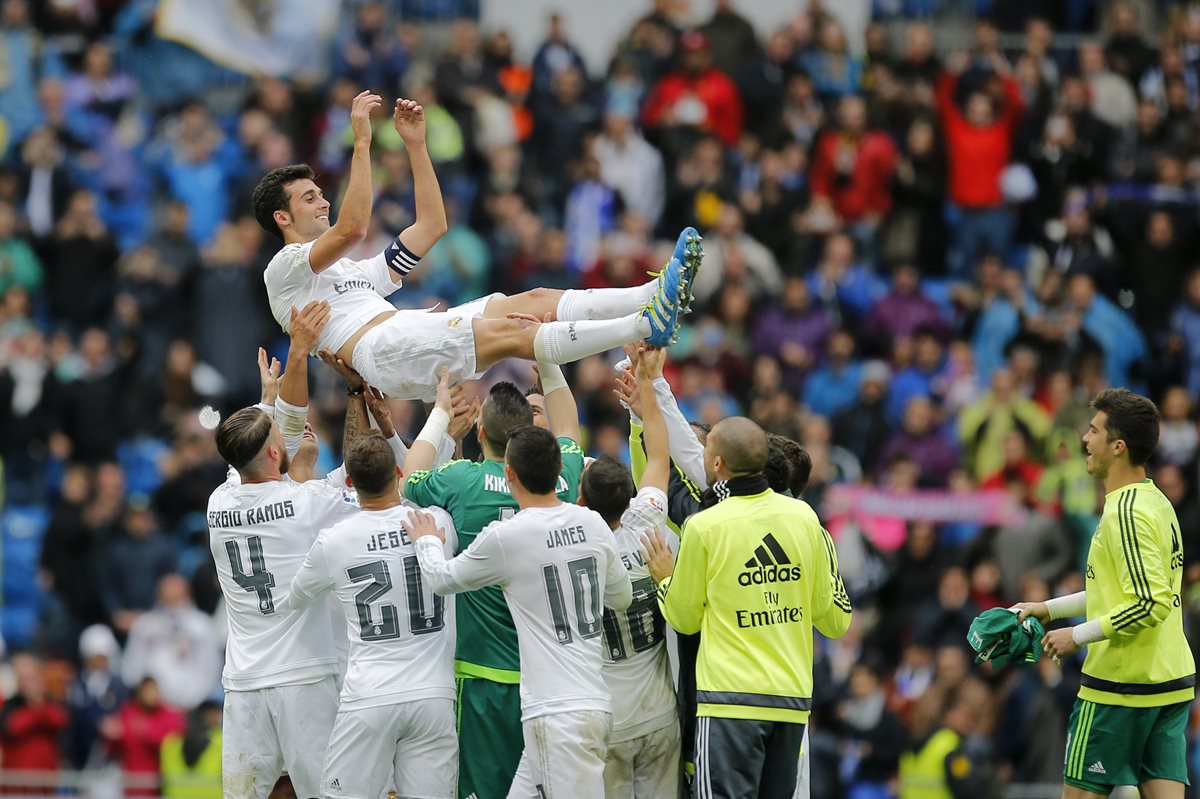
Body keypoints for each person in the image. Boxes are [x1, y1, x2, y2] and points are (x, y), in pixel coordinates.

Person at [253, 92, 702, 402]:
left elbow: (432, 226)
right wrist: (363, 141)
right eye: (309, 198)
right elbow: (352, 228)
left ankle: (650, 295)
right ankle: (645, 324)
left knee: (533, 301)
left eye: (321, 193)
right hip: (383, 348)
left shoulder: (352, 272)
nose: (323, 201)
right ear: (282, 218)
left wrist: (416, 146)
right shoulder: (283, 268)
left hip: (402, 333)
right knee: (514, 333)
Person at [407, 425, 634, 799]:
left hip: (557, 716)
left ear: (509, 473)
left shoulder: (508, 535)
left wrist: (428, 541)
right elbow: (621, 598)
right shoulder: (593, 522)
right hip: (589, 703)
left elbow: (441, 579)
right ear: (559, 470)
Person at [642, 416, 853, 799]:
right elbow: (834, 619)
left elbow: (685, 619)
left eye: (706, 449)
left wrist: (665, 579)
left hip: (729, 703)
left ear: (717, 463)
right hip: (790, 703)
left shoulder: (706, 526)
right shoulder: (805, 517)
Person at [402, 362, 586, 799]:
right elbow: (569, 429)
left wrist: (441, 411)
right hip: (550, 679)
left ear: (481, 431)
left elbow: (409, 477)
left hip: (483, 671)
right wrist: (550, 363)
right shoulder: (559, 477)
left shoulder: (462, 480)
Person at [206, 302, 360, 799]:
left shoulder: (219, 501)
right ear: (276, 452)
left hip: (244, 683)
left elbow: (247, 451)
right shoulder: (306, 503)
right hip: (304, 679)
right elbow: (366, 481)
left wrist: (268, 401)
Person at [1015, 388, 1195, 799]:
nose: (1084, 438)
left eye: (1094, 430)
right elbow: (1117, 591)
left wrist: (1076, 636)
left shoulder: (1125, 513)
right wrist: (1048, 609)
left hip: (1121, 687)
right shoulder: (1155, 501)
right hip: (1167, 681)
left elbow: (1148, 603)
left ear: (1118, 446)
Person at [291, 435, 460, 799]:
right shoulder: (437, 522)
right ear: (398, 472)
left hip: (370, 696)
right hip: (434, 695)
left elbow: (297, 596)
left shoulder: (334, 540)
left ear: (350, 482)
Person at [580, 347, 681, 797]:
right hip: (659, 709)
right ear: (630, 496)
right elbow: (658, 458)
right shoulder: (648, 521)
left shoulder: (579, 550)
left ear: (582, 501)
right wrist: (645, 381)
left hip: (609, 716)